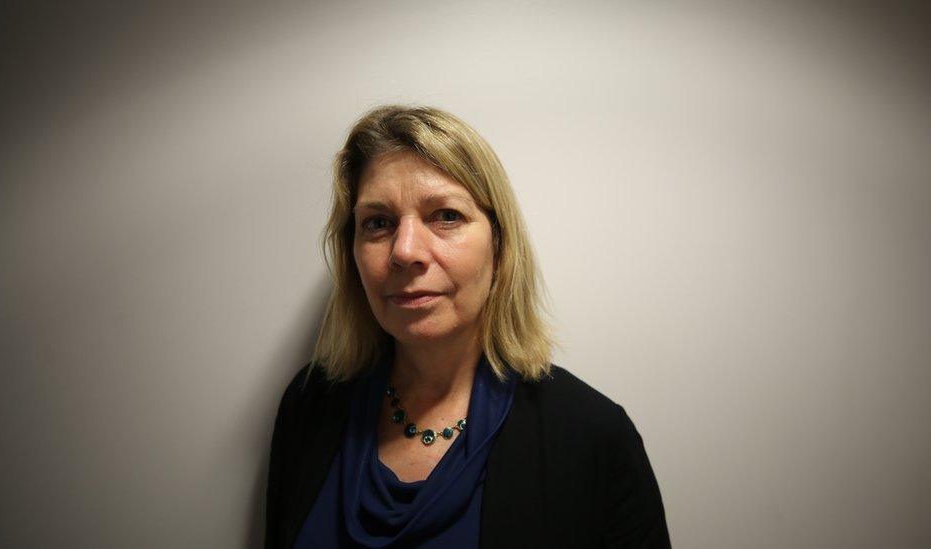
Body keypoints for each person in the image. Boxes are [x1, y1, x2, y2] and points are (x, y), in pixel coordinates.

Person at [265, 105, 671, 548]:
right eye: (378, 223)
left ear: (499, 245)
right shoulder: (309, 407)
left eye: (445, 216)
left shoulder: (592, 437)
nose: (405, 251)